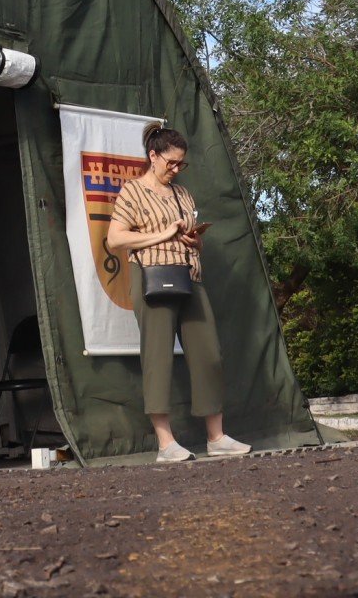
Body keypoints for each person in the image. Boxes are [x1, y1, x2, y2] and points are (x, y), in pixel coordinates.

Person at [106, 124, 250, 463]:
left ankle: (216, 438)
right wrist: (163, 235)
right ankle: (165, 444)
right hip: (153, 279)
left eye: (181, 164)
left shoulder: (183, 194)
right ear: (153, 156)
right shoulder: (133, 192)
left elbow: (193, 241)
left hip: (190, 278)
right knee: (157, 358)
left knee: (208, 354)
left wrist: (192, 239)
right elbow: (115, 240)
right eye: (171, 162)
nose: (176, 169)